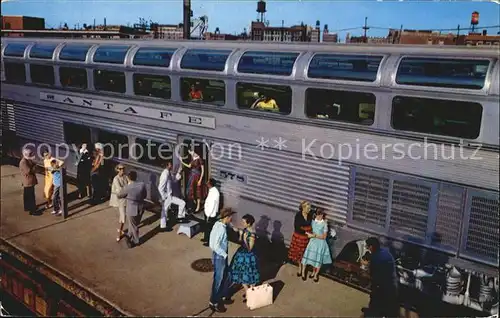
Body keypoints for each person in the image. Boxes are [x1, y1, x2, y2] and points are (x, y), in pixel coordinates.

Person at [362, 237, 400, 318]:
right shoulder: (386, 253)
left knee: (376, 302)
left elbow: (372, 274)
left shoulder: (375, 257)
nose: (366, 248)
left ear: (371, 247)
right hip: (393, 285)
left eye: (367, 247)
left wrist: (365, 268)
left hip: (382, 287)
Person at [208, 207, 235, 313]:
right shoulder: (221, 229)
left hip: (218, 255)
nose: (232, 219)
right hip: (220, 256)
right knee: (218, 280)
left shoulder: (218, 224)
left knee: (226, 275)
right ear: (227, 217)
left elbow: (212, 242)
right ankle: (213, 302)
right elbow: (214, 245)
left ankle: (222, 295)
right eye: (231, 217)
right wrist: (224, 254)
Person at [229, 214, 260, 302]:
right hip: (242, 254)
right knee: (242, 275)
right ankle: (248, 292)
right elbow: (240, 240)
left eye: (244, 222)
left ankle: (249, 294)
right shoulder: (245, 230)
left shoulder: (252, 235)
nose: (242, 223)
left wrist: (245, 237)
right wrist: (240, 234)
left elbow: (250, 248)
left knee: (249, 276)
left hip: (248, 257)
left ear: (249, 223)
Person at [117, 171, 147, 248]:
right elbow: (144, 195)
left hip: (131, 208)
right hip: (141, 206)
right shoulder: (142, 185)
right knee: (134, 223)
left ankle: (135, 241)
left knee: (134, 225)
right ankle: (130, 234)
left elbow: (119, 195)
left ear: (128, 178)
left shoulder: (128, 187)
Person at [301, 208, 332, 282]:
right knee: (307, 258)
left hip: (320, 244)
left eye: (321, 215)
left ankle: (315, 274)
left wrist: (314, 236)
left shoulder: (324, 223)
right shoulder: (312, 221)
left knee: (318, 261)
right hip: (312, 243)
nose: (319, 217)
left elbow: (324, 237)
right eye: (318, 215)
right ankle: (303, 273)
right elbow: (305, 229)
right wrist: (308, 234)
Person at [158, 161, 187, 231]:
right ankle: (163, 226)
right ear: (167, 166)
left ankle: (179, 217)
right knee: (164, 210)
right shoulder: (165, 174)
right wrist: (163, 197)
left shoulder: (168, 173)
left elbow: (173, 181)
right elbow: (160, 187)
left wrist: (179, 172)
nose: (172, 166)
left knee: (182, 203)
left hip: (170, 196)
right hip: (167, 197)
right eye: (170, 164)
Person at [288, 201, 312, 279]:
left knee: (305, 255)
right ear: (303, 208)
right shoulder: (298, 215)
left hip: (306, 239)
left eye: (310, 208)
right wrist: (306, 232)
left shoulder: (310, 215)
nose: (309, 209)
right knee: (299, 255)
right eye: (308, 208)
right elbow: (297, 227)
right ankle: (299, 267)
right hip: (299, 238)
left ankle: (303, 271)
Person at [110, 164, 128, 242]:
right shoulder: (116, 179)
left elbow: (129, 184)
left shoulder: (125, 177)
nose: (122, 170)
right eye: (120, 169)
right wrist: (127, 189)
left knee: (123, 217)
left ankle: (120, 229)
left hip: (125, 200)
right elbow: (120, 189)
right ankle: (119, 234)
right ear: (117, 170)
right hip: (119, 201)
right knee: (123, 217)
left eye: (123, 169)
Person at [19, 148, 38, 215]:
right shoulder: (23, 162)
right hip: (28, 181)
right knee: (30, 196)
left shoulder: (27, 160)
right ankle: (32, 210)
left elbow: (34, 163)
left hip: (29, 181)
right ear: (26, 154)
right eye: (30, 154)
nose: (31, 155)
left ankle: (27, 207)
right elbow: (29, 171)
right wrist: (34, 167)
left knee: (27, 195)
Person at [202, 178, 219, 246]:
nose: (206, 183)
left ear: (210, 184)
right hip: (208, 212)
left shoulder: (214, 192)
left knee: (210, 228)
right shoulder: (211, 190)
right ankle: (206, 238)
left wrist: (208, 215)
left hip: (211, 213)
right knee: (206, 226)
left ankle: (209, 241)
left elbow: (212, 204)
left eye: (208, 182)